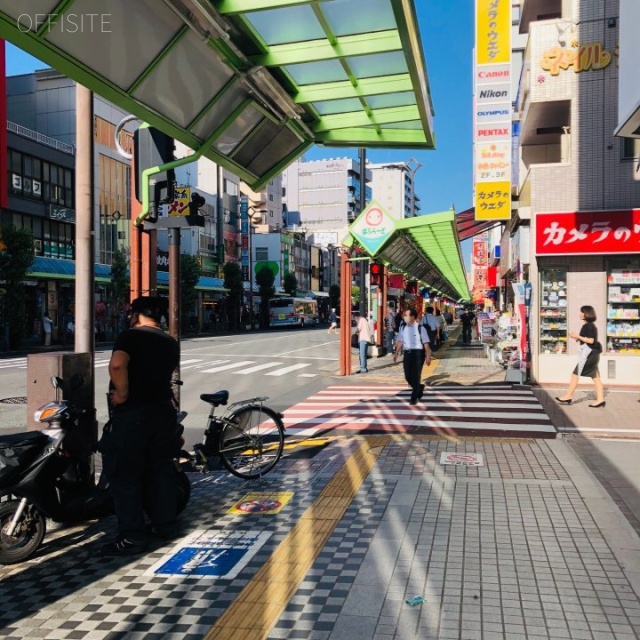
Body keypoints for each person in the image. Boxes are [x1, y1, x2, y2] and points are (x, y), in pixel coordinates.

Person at [102, 296, 180, 555]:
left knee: (126, 474)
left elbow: (117, 364)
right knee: (160, 470)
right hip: (163, 412)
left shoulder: (130, 337)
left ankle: (133, 537)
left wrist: (122, 392)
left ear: (135, 314)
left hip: (134, 414)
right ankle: (165, 525)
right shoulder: (170, 342)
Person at [556, 305, 605, 408]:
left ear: (586, 314)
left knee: (575, 374)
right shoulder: (589, 325)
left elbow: (591, 340)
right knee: (595, 377)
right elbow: (587, 339)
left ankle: (568, 396)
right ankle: (600, 399)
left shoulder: (588, 326)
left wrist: (578, 336)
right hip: (593, 354)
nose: (580, 314)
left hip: (589, 355)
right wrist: (577, 338)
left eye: (581, 312)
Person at [393, 307, 432, 405]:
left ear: (413, 317)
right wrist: (396, 352)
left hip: (418, 354)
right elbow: (400, 341)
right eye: (404, 315)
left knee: (416, 375)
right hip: (407, 353)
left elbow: (426, 344)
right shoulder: (403, 327)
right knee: (407, 376)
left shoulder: (420, 328)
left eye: (407, 315)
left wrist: (428, 356)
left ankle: (414, 397)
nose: (405, 317)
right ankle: (419, 387)